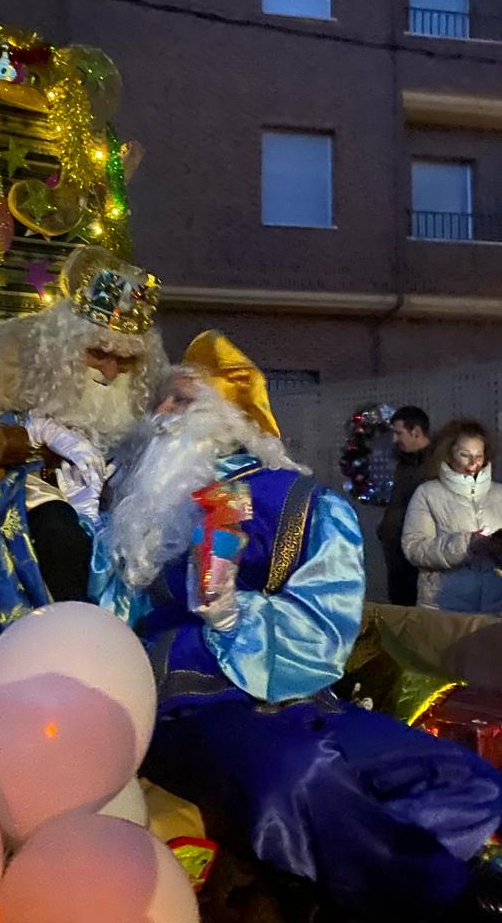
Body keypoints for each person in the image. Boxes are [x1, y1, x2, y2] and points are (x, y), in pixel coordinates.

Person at [89, 333, 502, 922]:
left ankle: (343, 887)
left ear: (227, 418)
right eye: (161, 399)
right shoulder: (135, 514)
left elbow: (326, 627)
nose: (162, 413)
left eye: (182, 400)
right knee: (295, 776)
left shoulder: (303, 503)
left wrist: (233, 613)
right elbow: (106, 623)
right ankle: (448, 900)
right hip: (188, 710)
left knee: (467, 781)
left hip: (305, 698)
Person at [0, 245, 167, 613]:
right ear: (69, 345)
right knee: (59, 531)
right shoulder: (13, 349)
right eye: (98, 353)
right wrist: (40, 434)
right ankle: (68, 627)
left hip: (104, 493)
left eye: (123, 360)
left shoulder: (137, 388)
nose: (109, 372)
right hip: (20, 481)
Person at [402, 419, 502, 614]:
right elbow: (414, 548)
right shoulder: (428, 494)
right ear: (449, 454)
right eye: (465, 455)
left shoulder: (499, 494)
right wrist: (466, 544)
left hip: (495, 609)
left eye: (479, 456)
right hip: (445, 607)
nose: (473, 463)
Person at [378, 406, 431, 606]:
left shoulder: (432, 467)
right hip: (396, 556)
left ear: (416, 431)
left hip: (416, 560)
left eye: (399, 433)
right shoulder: (404, 464)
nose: (394, 439)